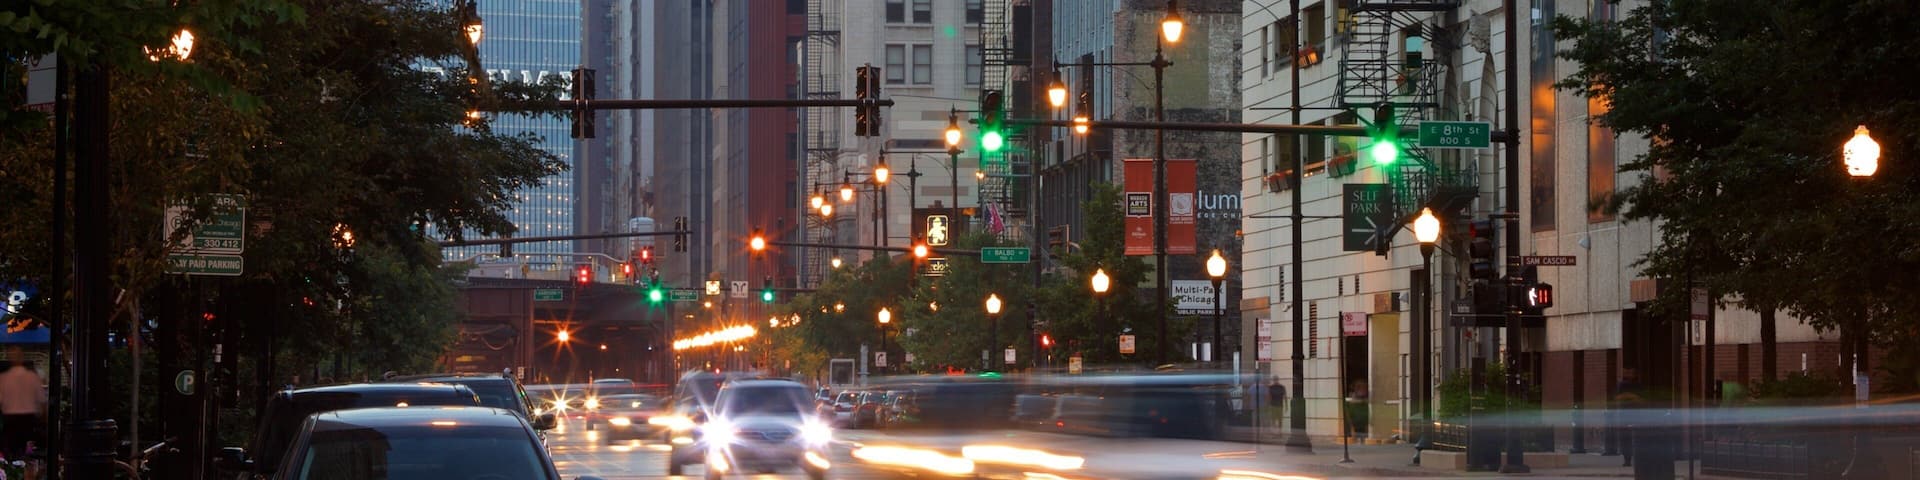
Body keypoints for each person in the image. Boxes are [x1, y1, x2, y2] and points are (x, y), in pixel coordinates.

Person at [0, 348, 45, 459]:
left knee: (10, 453)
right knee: (27, 453)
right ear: (22, 358)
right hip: (28, 420)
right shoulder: (32, 377)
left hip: (10, 420)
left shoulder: (3, 378)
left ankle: (12, 472)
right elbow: (42, 401)